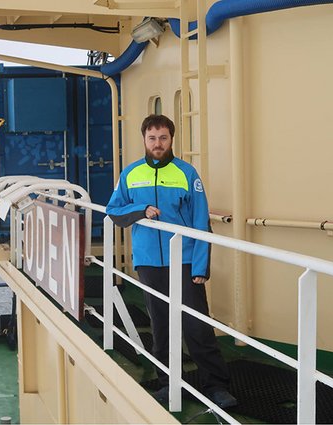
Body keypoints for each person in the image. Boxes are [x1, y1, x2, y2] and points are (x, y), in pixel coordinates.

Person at [106, 114, 237, 408]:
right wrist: (141, 209)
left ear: (171, 139)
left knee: (196, 326)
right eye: (152, 138)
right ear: (144, 139)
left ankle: (216, 386)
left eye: (163, 138)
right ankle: (168, 383)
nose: (157, 144)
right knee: (161, 326)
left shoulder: (187, 174)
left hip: (186, 261)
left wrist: (201, 267)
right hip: (149, 262)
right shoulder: (130, 174)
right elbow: (114, 211)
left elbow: (201, 223)